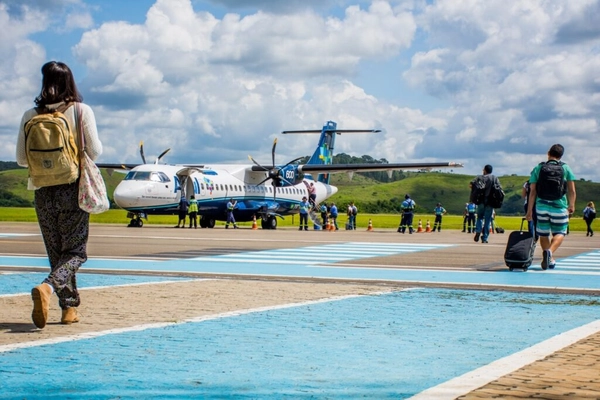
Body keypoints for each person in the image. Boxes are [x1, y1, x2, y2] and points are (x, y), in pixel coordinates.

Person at [16, 61, 103, 328]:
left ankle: (69, 309)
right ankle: (48, 287)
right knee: (76, 252)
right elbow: (96, 151)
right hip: (73, 189)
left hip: (42, 191)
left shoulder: (30, 114)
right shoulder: (80, 111)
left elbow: (21, 159)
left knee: (57, 252)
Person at [526, 144, 576, 270]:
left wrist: (529, 210)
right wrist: (571, 204)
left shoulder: (539, 167)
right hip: (559, 205)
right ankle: (550, 253)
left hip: (541, 205)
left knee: (543, 234)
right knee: (560, 232)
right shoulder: (566, 168)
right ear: (561, 155)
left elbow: (532, 191)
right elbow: (572, 190)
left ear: (548, 152)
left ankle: (549, 258)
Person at [472, 165, 499, 244]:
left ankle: (478, 230)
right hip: (490, 202)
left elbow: (471, 185)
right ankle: (485, 238)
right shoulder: (494, 178)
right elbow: (499, 188)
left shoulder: (479, 177)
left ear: (484, 170)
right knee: (488, 220)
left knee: (479, 217)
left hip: (480, 201)